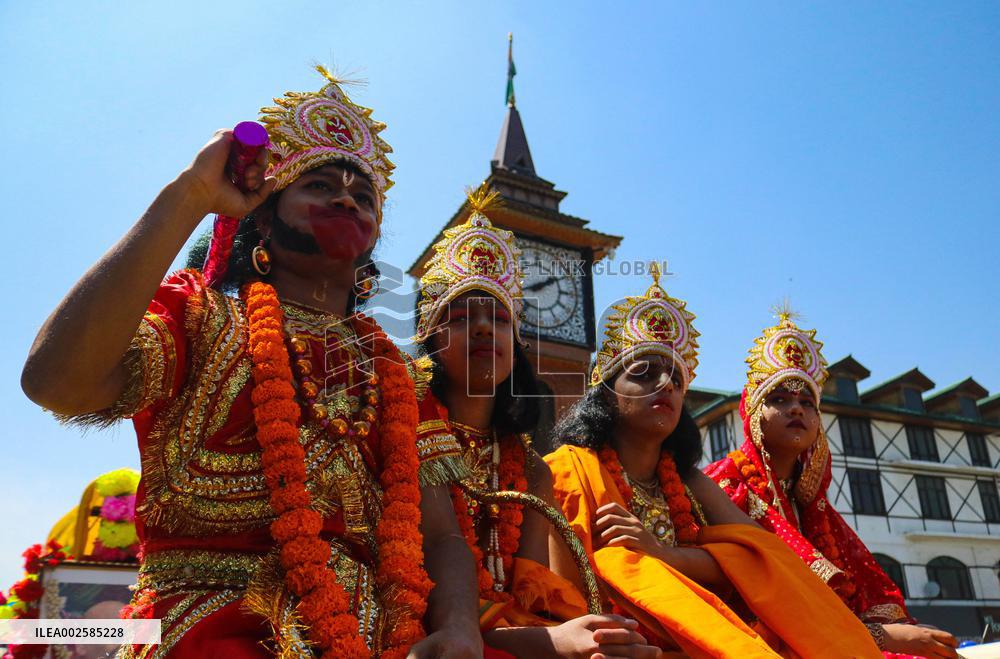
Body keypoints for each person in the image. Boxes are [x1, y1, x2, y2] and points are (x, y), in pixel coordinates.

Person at [21, 67, 481, 658]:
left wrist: (460, 628)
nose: (345, 197)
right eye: (318, 186)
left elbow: (442, 535)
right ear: (261, 218)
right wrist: (190, 194)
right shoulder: (202, 316)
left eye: (362, 196)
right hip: (206, 628)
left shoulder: (397, 374)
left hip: (382, 638)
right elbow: (58, 382)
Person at [546, 267, 881, 658]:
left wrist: (664, 555)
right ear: (604, 394)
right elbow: (561, 597)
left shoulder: (689, 482)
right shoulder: (567, 469)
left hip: (706, 642)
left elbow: (763, 559)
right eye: (643, 372)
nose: (665, 385)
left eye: (676, 379)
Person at [411, 187, 661, 658]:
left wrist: (586, 638)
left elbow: (530, 601)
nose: (485, 327)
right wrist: (557, 644)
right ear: (430, 337)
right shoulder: (403, 426)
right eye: (462, 316)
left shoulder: (531, 472)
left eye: (501, 318)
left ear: (519, 341)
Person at [705, 309, 959, 658]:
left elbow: (864, 599)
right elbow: (761, 601)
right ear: (752, 412)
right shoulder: (724, 485)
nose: (796, 409)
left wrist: (901, 634)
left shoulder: (814, 507)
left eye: (806, 402)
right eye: (779, 399)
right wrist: (883, 638)